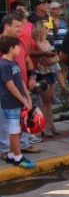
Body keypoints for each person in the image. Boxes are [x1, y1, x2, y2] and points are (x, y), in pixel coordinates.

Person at [0, 12, 41, 156]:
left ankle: (23, 144)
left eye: (21, 26)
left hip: (21, 84)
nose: (20, 29)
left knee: (22, 117)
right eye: (17, 26)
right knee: (6, 121)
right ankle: (5, 149)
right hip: (6, 89)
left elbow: (27, 59)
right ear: (6, 26)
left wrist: (32, 76)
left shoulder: (20, 41)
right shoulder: (2, 43)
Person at [0, 35, 35, 169]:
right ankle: (18, 157)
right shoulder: (3, 64)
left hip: (19, 101)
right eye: (18, 47)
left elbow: (20, 81)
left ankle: (12, 154)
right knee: (14, 131)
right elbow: (10, 85)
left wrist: (27, 97)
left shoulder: (13, 62)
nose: (20, 49)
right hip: (10, 102)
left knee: (17, 129)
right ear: (11, 48)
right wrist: (23, 99)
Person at [30, 21, 64, 137]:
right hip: (43, 73)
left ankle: (50, 125)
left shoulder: (46, 42)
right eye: (45, 27)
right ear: (40, 29)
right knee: (45, 102)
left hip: (50, 72)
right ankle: (44, 126)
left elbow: (53, 58)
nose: (48, 29)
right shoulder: (38, 43)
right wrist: (56, 58)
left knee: (49, 102)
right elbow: (49, 60)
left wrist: (54, 58)